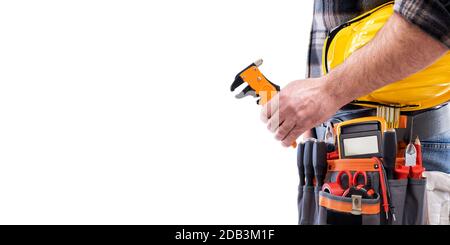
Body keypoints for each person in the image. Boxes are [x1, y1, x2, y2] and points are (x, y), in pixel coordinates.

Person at [261, 0, 450, 173]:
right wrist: (314, 116)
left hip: (406, 147)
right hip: (331, 144)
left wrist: (327, 93)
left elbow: (436, 12)